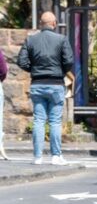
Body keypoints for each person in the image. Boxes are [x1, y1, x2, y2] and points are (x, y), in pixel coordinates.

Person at [17, 11, 74, 165]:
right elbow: (69, 61)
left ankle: (37, 156)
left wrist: (34, 70)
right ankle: (56, 156)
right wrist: (60, 71)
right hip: (56, 84)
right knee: (55, 121)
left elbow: (21, 61)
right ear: (54, 23)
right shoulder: (61, 39)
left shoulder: (31, 40)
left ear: (41, 24)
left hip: (37, 84)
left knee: (38, 120)